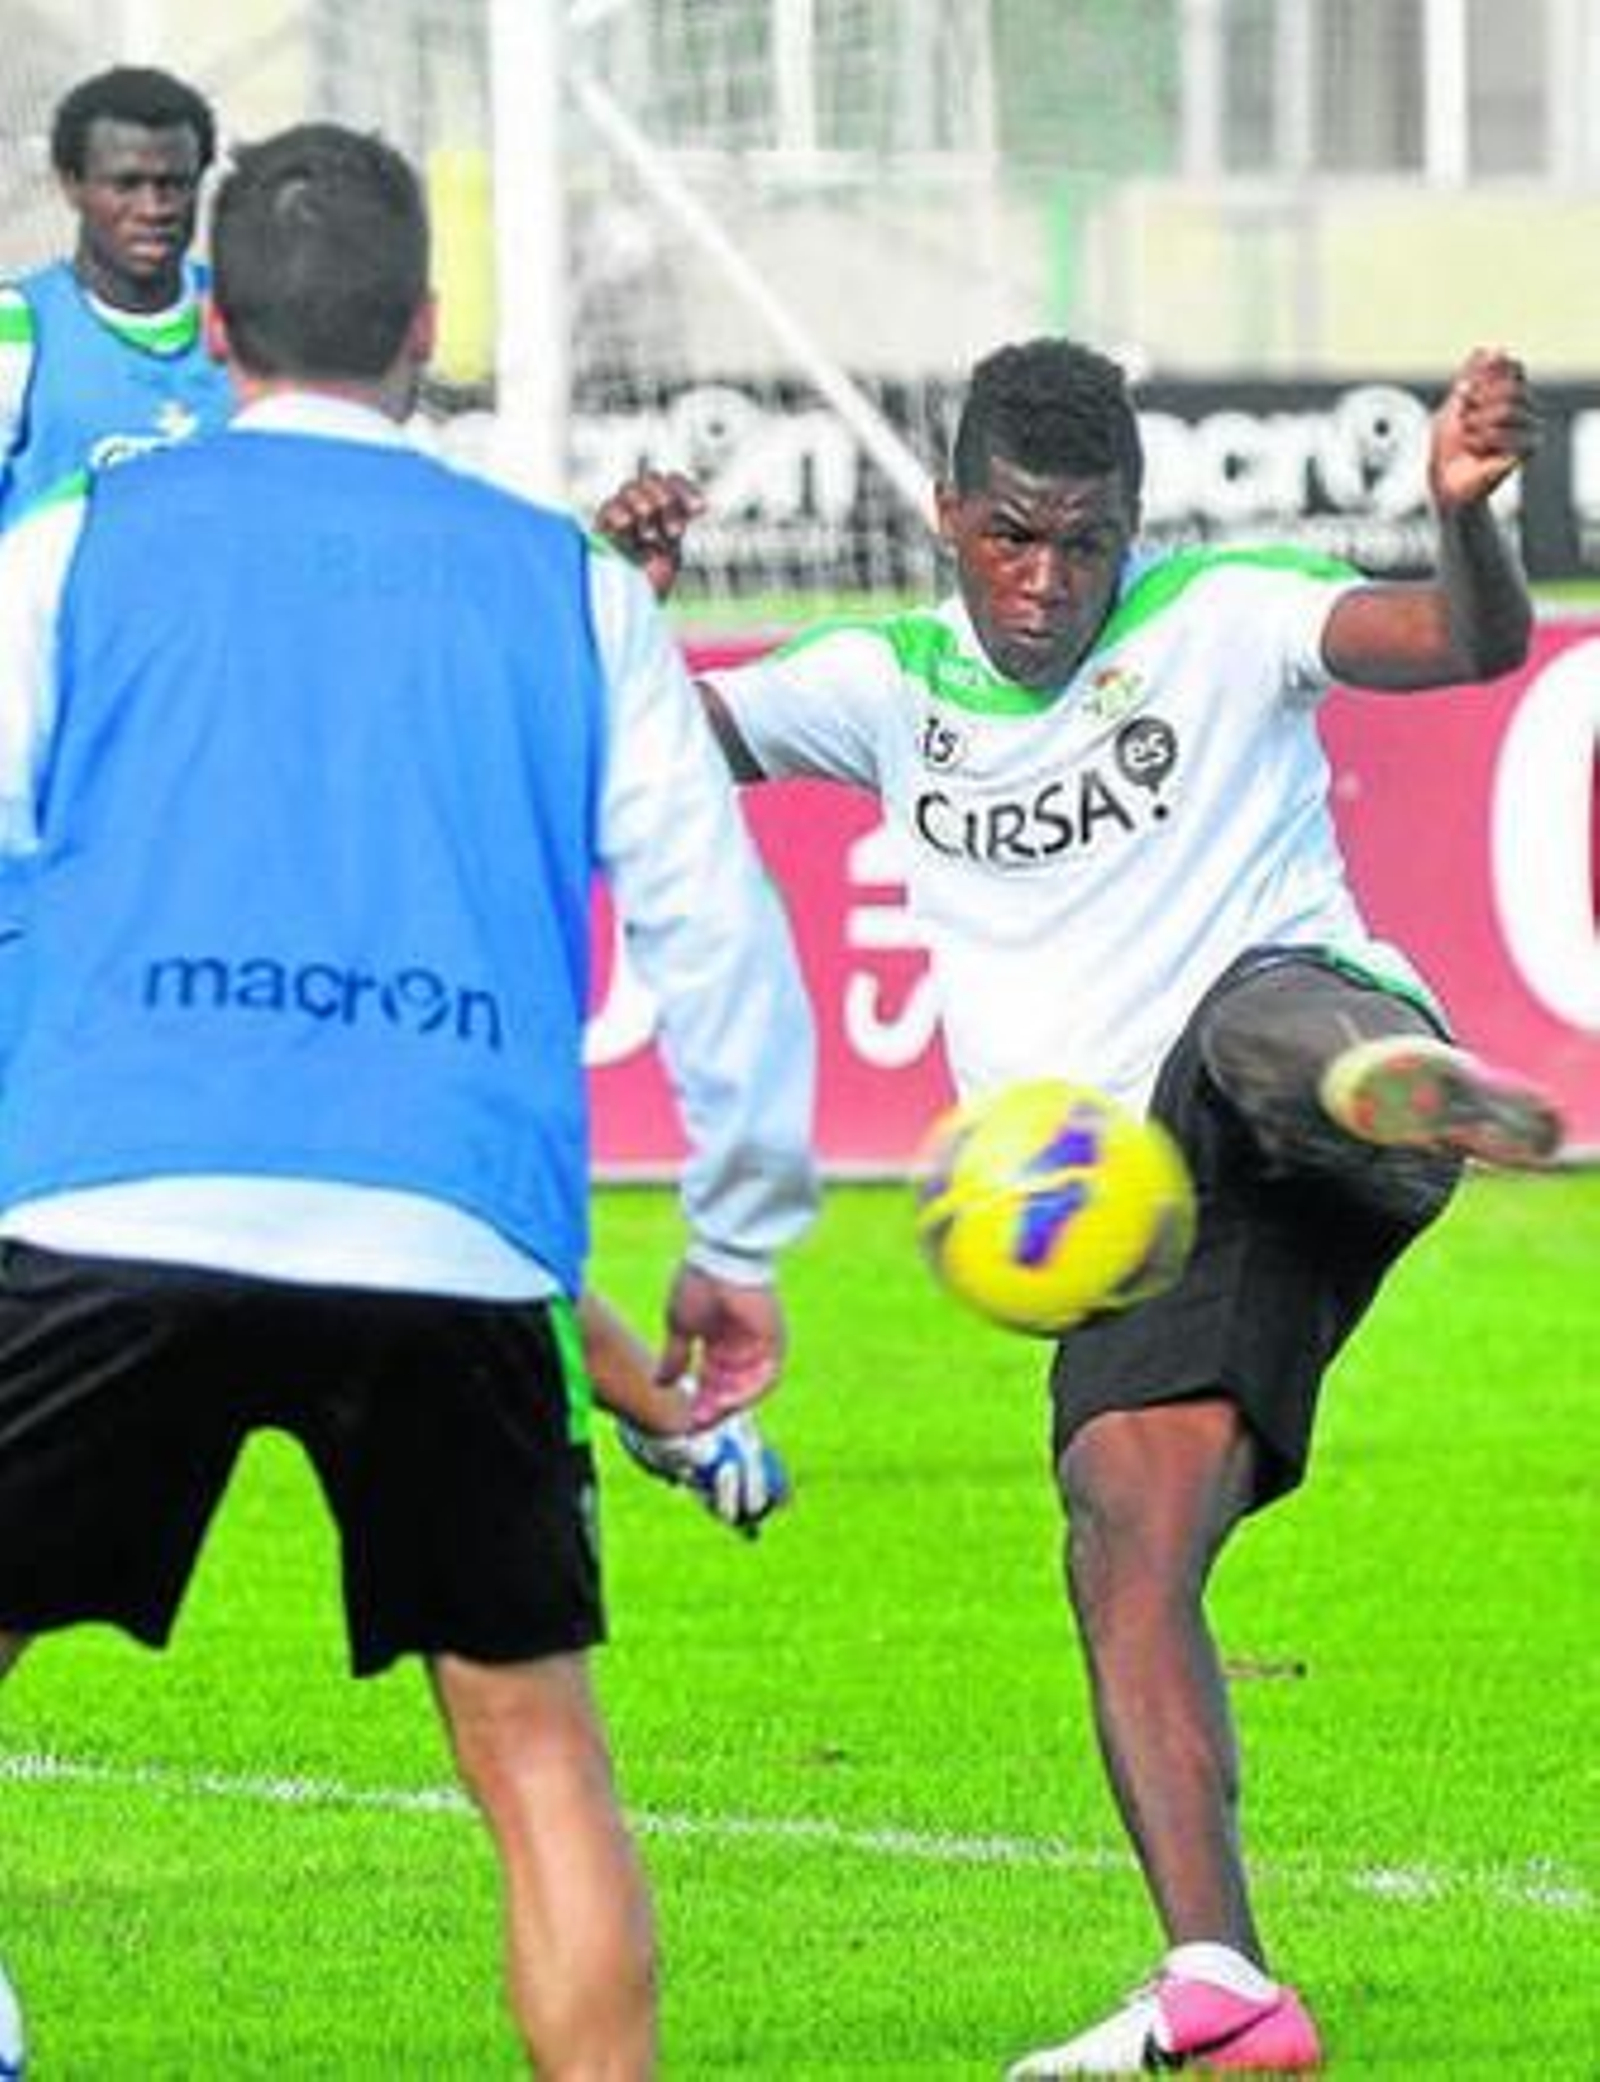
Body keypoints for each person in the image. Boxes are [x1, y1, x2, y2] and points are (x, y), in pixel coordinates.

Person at [596, 337, 1563, 2074]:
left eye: (1088, 542)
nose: (1048, 584)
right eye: (1014, 540)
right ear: (952, 515)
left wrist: (1463, 515)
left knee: (1261, 1022)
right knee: (1123, 1541)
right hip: (1138, 1214)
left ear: (1137, 526)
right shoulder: (877, 684)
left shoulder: (1223, 613)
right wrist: (608, 606)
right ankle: (1224, 1981)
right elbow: (635, 747)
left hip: (1303, 1049)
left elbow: (1470, 644)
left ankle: (1387, 1086)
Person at [0, 122, 818, 2077]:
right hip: (447, 1229)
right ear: (430, 331)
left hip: (117, 1187)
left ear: (208, 325)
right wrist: (736, 1244)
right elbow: (713, 932)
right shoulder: (564, 590)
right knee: (533, 1749)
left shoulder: (64, 551)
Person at [0, 65, 233, 528]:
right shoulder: (16, 326)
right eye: (126, 184)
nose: (154, 209)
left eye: (175, 184)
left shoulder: (248, 316)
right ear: (71, 184)